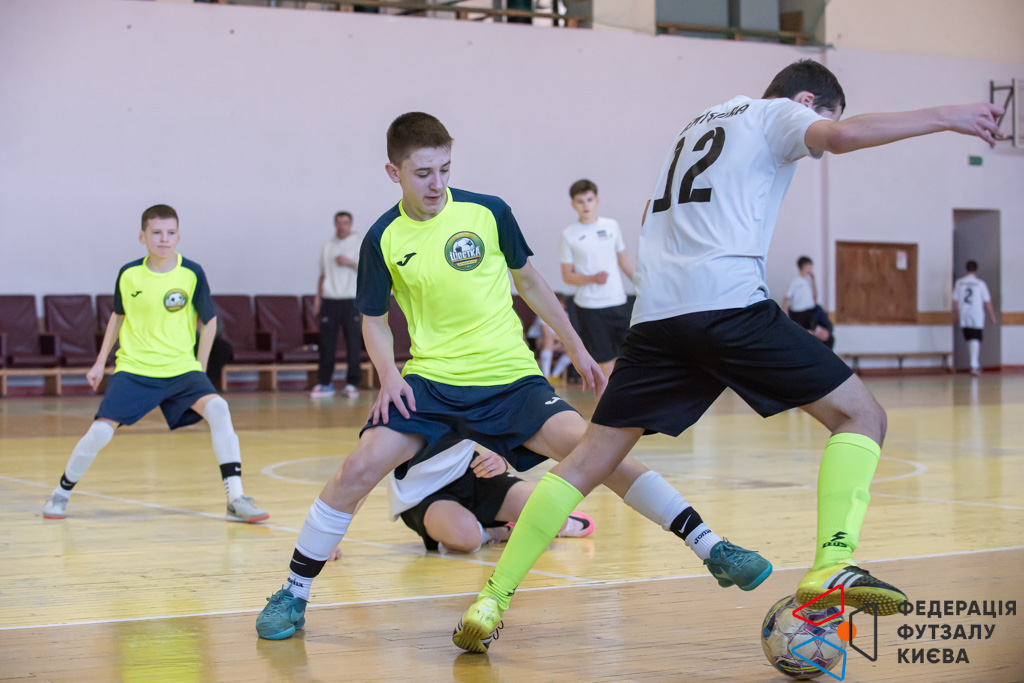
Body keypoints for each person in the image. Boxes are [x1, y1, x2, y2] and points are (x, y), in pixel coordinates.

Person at [454, 59, 1004, 652]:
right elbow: (841, 137)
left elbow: (649, 217)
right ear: (805, 101)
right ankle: (830, 565)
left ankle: (492, 600)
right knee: (862, 415)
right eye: (817, 119)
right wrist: (949, 115)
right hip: (728, 304)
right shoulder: (777, 113)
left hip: (656, 319)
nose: (811, 148)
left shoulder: (699, 124)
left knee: (587, 460)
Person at [255, 112, 770, 642]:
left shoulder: (489, 211)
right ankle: (293, 593)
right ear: (394, 173)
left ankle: (711, 546)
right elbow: (374, 320)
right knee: (357, 468)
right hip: (431, 381)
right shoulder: (382, 238)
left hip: (510, 378)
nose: (437, 183)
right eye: (423, 173)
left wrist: (575, 344)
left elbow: (531, 282)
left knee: (599, 452)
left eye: (445, 169)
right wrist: (388, 374)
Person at [42, 204, 268, 523]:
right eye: (157, 232)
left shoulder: (192, 272)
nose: (164, 239)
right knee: (101, 432)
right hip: (135, 368)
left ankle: (235, 498)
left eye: (170, 232)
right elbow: (118, 317)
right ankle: (60, 493)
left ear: (178, 236)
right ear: (142, 236)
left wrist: (200, 368)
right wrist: (99, 363)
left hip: (181, 369)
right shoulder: (129, 273)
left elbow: (210, 321)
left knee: (219, 409)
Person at [327, 440, 593, 559]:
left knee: (549, 510)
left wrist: (504, 459)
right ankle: (496, 532)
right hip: (421, 497)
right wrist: (331, 538)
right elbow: (363, 477)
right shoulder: (403, 404)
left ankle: (558, 524)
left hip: (472, 474)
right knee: (468, 539)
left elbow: (519, 431)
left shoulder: (471, 385)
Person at [560, 179, 635, 377]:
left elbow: (625, 263)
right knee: (603, 359)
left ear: (597, 201)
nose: (585, 205)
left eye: (589, 200)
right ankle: (610, 396)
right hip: (590, 307)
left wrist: (646, 286)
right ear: (573, 204)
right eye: (580, 201)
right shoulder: (569, 234)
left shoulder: (611, 226)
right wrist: (591, 278)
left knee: (629, 355)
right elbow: (567, 276)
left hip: (618, 302)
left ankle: (626, 394)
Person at [310, 211, 363, 399]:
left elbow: (366, 271)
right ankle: (324, 383)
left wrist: (350, 263)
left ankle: (352, 384)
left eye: (345, 222)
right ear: (335, 224)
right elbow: (323, 274)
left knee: (353, 344)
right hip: (330, 300)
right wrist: (318, 297)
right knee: (326, 345)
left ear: (351, 224)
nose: (342, 226)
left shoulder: (359, 244)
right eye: (339, 222)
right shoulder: (328, 246)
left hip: (351, 300)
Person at [952, 260, 997, 376]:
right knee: (975, 338)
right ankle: (974, 365)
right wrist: (992, 316)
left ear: (966, 270)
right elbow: (987, 301)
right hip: (976, 314)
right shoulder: (980, 284)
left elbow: (955, 302)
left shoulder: (959, 283)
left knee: (970, 338)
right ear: (976, 271)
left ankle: (974, 363)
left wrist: (956, 315)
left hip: (964, 313)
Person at [783, 256, 834, 348]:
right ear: (804, 266)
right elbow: (787, 297)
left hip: (810, 311)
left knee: (827, 335)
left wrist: (813, 281)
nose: (811, 268)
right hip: (799, 313)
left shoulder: (808, 280)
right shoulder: (796, 281)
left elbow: (815, 297)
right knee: (805, 336)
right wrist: (785, 312)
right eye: (809, 266)